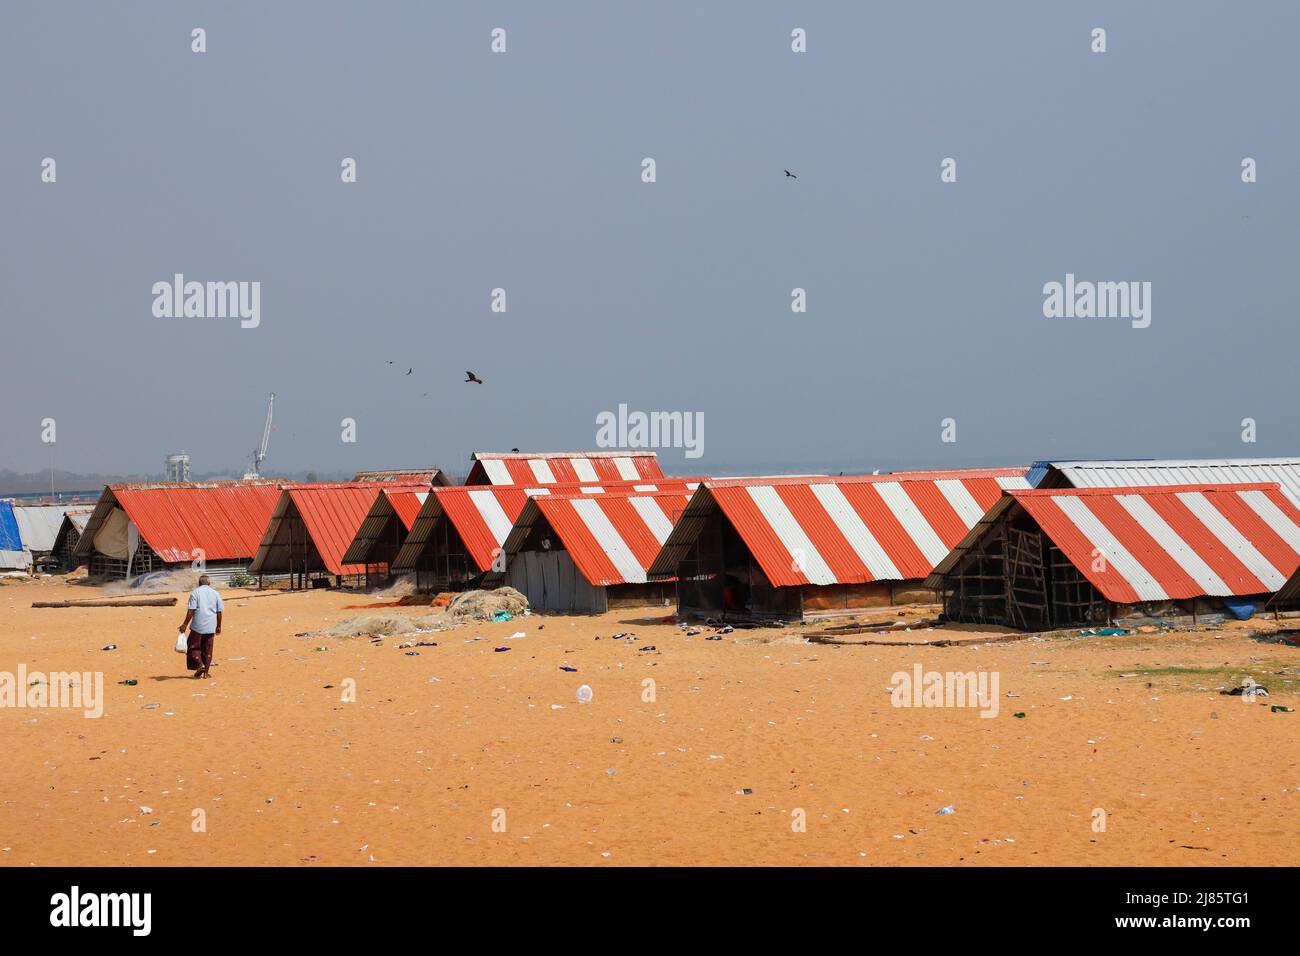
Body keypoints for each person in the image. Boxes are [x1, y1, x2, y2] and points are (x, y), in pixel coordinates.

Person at [179, 574, 223, 679]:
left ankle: (200, 665)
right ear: (209, 583)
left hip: (198, 626)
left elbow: (191, 610)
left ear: (199, 583)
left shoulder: (195, 593)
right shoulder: (215, 593)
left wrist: (185, 624)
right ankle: (206, 673)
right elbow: (219, 612)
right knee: (207, 648)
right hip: (211, 626)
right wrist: (219, 626)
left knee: (192, 646)